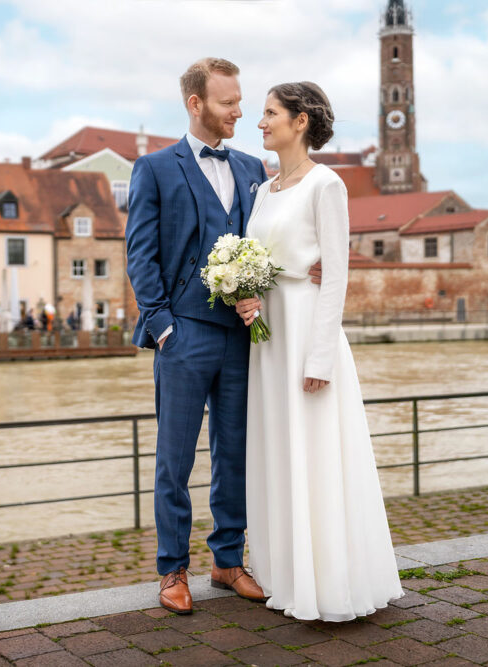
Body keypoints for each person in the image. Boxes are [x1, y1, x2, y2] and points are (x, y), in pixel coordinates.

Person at [126, 58, 323, 614]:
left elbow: (279, 235)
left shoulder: (253, 169)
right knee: (175, 460)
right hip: (183, 336)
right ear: (196, 104)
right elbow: (139, 255)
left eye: (242, 101)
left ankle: (227, 560)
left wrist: (315, 265)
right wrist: (162, 326)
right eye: (229, 102)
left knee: (236, 453)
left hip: (243, 337)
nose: (240, 111)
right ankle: (172, 572)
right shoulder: (155, 168)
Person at [236, 82, 403, 621]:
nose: (260, 123)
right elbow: (256, 259)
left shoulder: (327, 184)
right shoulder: (265, 191)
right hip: (268, 335)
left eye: (269, 113)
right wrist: (244, 292)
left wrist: (320, 357)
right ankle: (284, 574)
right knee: (277, 450)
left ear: (300, 121)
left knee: (315, 453)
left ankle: (328, 582)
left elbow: (336, 276)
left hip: (308, 327)